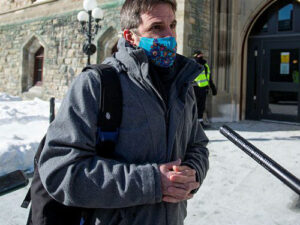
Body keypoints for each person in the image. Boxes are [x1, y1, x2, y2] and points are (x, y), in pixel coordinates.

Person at [38, 1, 209, 225]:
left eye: (173, 24)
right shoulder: (97, 84)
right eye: (156, 27)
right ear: (130, 36)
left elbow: (197, 146)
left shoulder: (181, 85)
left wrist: (192, 174)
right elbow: (60, 171)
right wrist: (152, 182)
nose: (170, 36)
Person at [193, 50, 217, 128]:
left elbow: (208, 78)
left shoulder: (205, 65)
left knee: (201, 107)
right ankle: (193, 124)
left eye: (201, 55)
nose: (201, 56)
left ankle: (200, 123)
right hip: (194, 89)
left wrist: (212, 87)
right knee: (194, 106)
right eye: (199, 55)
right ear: (195, 56)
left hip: (203, 89)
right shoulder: (192, 64)